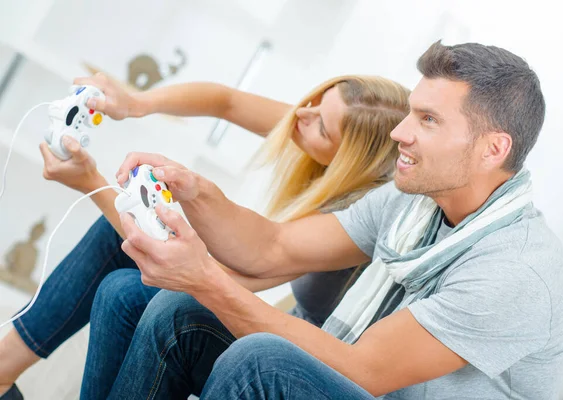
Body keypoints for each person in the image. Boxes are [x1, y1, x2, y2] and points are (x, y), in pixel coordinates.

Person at [82, 40, 563, 399]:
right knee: (178, 312)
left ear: (493, 149)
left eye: (427, 120)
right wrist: (194, 191)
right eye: (411, 113)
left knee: (261, 361)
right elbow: (274, 248)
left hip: (367, 381)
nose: (400, 132)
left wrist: (205, 277)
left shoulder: (517, 271)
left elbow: (363, 370)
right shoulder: (413, 201)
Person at [0, 74, 411, 399]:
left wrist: (93, 184)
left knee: (122, 291)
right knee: (116, 258)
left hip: (296, 354)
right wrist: (135, 102)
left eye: (321, 125)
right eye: (317, 99)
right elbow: (224, 101)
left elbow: (232, 274)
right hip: (268, 318)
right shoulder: (316, 120)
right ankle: (3, 370)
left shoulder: (359, 211)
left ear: (350, 160)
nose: (301, 114)